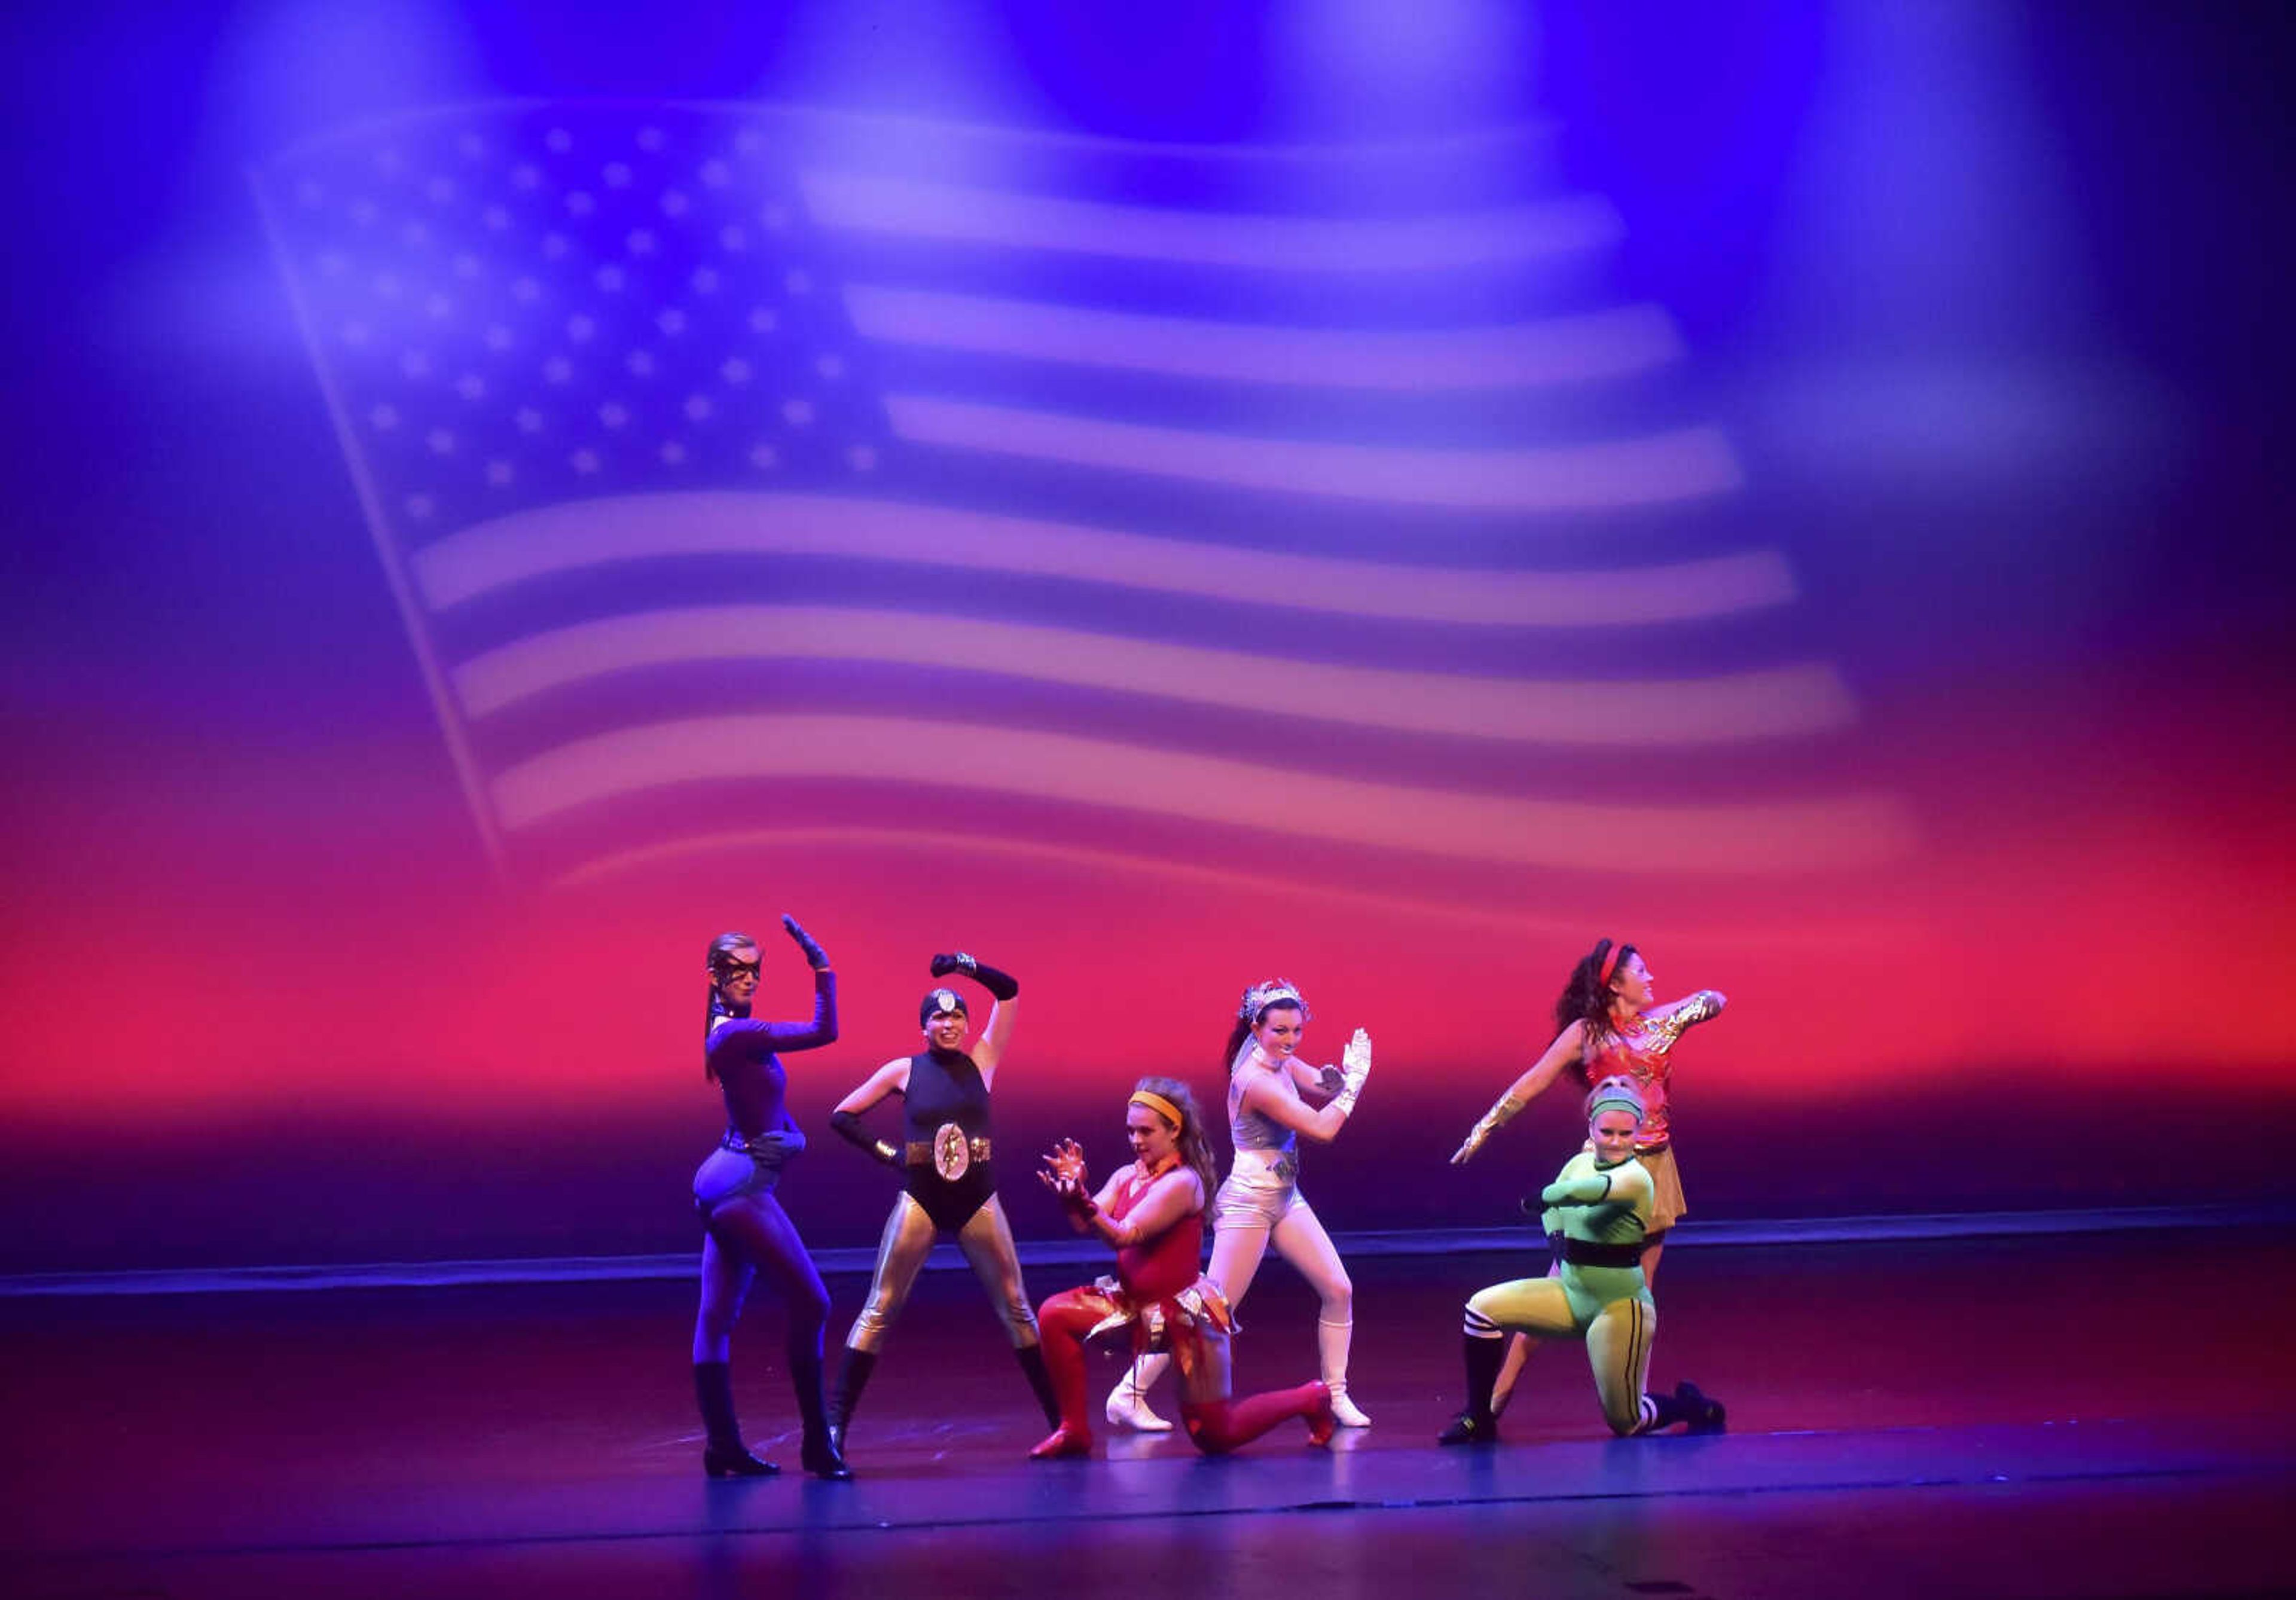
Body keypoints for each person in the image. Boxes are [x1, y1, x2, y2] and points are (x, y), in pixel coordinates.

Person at [1449, 939, 1724, 1414]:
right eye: (1641, 971)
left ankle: (1634, 1398)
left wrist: (1680, 1013)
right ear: (1616, 984)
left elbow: (1717, 999)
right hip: (1605, 1164)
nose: (1651, 978)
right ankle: (1498, 1395)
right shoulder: (1587, 1033)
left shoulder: (1658, 1023)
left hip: (1654, 1168)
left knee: (1642, 1293)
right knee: (1563, 1282)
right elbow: (1531, 1083)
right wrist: (1483, 1128)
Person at [1104, 981, 1373, 1432]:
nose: (1290, 1040)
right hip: (1249, 1203)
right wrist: (1359, 1083)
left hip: (1286, 1198)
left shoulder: (1275, 1055)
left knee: (1339, 1289)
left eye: (1297, 1031)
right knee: (1209, 1309)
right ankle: (1126, 1395)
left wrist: (1341, 1075)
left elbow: (1320, 1085)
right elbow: (1324, 1129)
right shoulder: (1253, 1080)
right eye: (1280, 1032)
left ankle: (1336, 1395)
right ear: (1256, 1028)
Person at [824, 952, 1060, 1453]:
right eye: (939, 1016)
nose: (949, 1024)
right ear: (924, 1027)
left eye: (957, 1016)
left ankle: (1063, 1425)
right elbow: (843, 1115)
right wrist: (889, 1155)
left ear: (968, 1024)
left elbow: (1010, 988)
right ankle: (834, 1431)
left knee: (1018, 1307)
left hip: (978, 1200)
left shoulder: (983, 1061)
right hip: (922, 1199)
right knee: (879, 1307)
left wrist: (963, 965)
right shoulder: (903, 1070)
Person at [1030, 1078, 1336, 1458]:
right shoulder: (1128, 1175)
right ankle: (1074, 1429)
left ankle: (1310, 1398)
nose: (1136, 1140)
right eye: (1131, 1131)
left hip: (1185, 1318)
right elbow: (1085, 1222)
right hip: (1133, 1307)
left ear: (1175, 1130)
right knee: (1054, 1315)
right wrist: (1074, 1196)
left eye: (1146, 1131)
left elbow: (1124, 1235)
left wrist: (1084, 1202)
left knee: (1215, 1435)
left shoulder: (1183, 1183)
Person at [1437, 1076, 1724, 1444]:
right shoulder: (1577, 1163)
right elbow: (1555, 1211)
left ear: (1639, 1131)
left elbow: (1594, 1192)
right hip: (1572, 1297)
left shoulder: (1636, 1177)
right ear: (1592, 1128)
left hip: (1619, 1308)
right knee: (1481, 1308)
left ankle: (1693, 1408)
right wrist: (1556, 1234)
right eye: (1608, 1132)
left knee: (1626, 1422)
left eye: (1626, 1134)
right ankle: (1479, 1417)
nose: (1617, 1142)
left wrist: (1550, 1194)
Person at [690, 917, 852, 1480]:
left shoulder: (730, 1028)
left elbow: (770, 1118)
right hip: (740, 1185)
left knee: (716, 1317)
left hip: (726, 1172)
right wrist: (822, 965)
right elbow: (823, 1030)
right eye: (736, 970)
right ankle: (815, 1445)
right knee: (813, 1304)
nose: (749, 979)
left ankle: (722, 1448)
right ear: (713, 975)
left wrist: (797, 1140)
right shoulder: (736, 1034)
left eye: (755, 970)